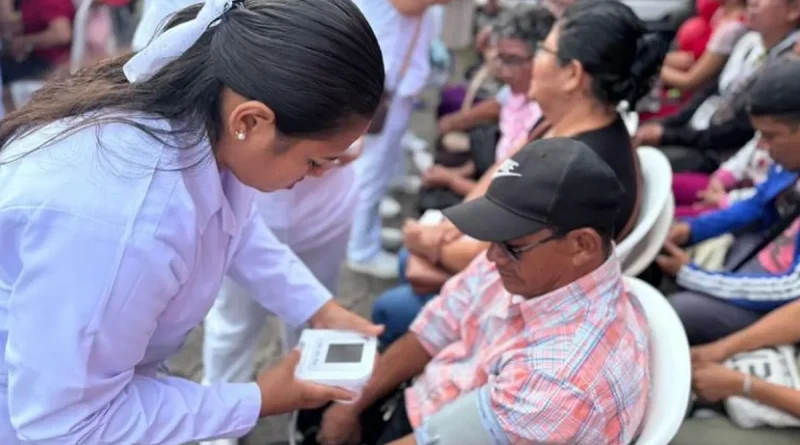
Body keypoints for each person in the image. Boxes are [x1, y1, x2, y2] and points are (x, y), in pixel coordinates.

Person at [0, 0, 386, 443]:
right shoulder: (127, 226)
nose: (317, 176)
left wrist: (319, 309)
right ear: (252, 120)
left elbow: (235, 231)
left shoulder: (204, 126)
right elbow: (67, 423)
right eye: (316, 161)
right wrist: (257, 399)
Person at [302, 138, 651, 445]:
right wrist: (353, 404)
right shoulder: (539, 271)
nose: (491, 256)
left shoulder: (559, 378)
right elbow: (437, 325)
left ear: (581, 244)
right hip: (431, 406)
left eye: (511, 245)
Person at [370, 0, 668, 343]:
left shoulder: (576, 169)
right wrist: (449, 226)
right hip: (502, 272)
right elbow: (501, 171)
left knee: (390, 306)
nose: (534, 59)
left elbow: (494, 259)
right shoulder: (567, 121)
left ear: (572, 74)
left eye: (543, 49)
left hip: (521, 307)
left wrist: (431, 243)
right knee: (413, 255)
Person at [656, 57, 800, 346]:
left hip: (784, 306)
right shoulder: (789, 163)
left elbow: (791, 288)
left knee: (674, 313)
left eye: (770, 136)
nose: (761, 146)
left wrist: (691, 274)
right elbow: (758, 205)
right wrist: (691, 229)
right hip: (764, 260)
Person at [633, 0, 800, 173]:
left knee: (643, 163)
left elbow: (739, 129)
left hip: (719, 151)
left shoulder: (789, 64)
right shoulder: (749, 41)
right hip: (698, 130)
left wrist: (668, 136)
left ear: (794, 10)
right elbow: (711, 88)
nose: (752, 2)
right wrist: (668, 125)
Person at [347, 0, 445, 280]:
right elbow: (408, 4)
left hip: (391, 72)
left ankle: (368, 234)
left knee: (379, 166)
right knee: (370, 170)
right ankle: (361, 249)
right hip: (385, 73)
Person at [671, 298, 800, 445]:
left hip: (792, 421)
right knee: (681, 311)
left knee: (681, 438)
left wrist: (742, 385)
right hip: (787, 355)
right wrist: (720, 349)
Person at [0, 0, 75, 84]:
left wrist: (24, 42)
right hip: (34, 56)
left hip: (50, 64)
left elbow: (62, 35)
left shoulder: (50, 2)